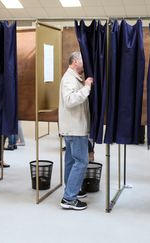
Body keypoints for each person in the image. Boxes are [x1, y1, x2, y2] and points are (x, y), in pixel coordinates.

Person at [59, 51, 93, 210]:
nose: (84, 64)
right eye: (82, 61)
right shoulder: (68, 79)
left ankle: (71, 190)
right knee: (81, 161)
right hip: (75, 128)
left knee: (71, 161)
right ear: (74, 62)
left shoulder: (73, 78)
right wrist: (86, 88)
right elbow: (70, 101)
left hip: (73, 127)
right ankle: (69, 198)